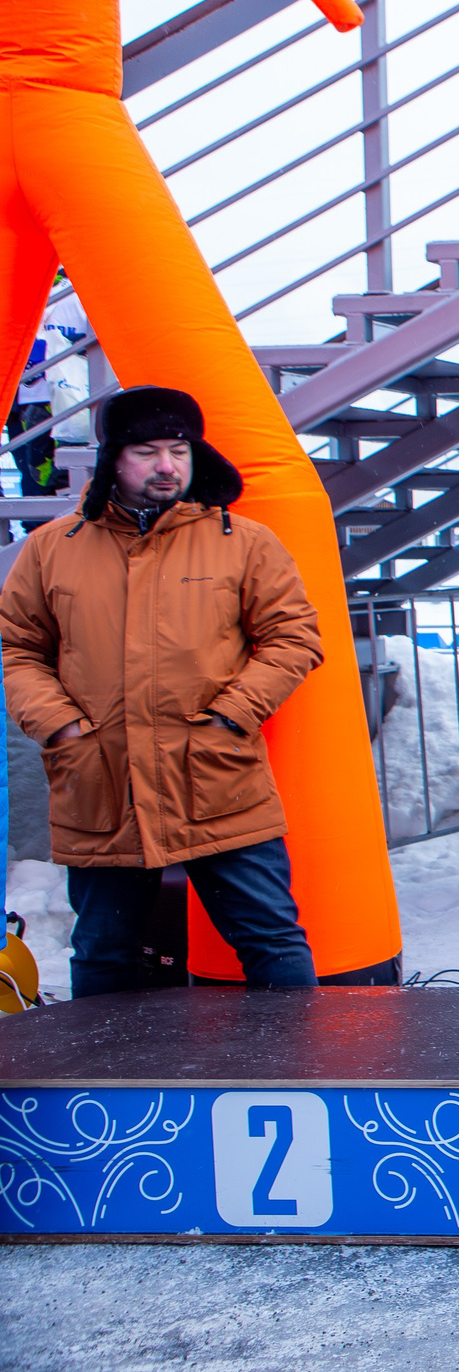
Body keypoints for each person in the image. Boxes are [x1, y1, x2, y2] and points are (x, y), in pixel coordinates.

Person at [0, 385, 324, 994]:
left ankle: (299, 1075)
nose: (167, 466)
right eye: (147, 451)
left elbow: (294, 638)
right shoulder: (53, 549)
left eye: (179, 449)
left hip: (215, 777)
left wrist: (231, 716)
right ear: (112, 460)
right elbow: (18, 648)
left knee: (271, 937)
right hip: (101, 780)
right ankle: (105, 1085)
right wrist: (60, 724)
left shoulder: (243, 541)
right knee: (102, 949)